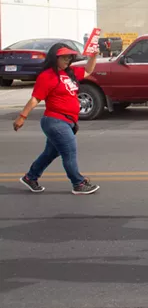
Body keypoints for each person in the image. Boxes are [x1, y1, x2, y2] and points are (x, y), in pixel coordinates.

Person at [15, 43, 100, 195]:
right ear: (55, 58)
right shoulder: (47, 76)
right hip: (55, 121)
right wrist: (22, 117)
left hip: (68, 121)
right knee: (70, 152)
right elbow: (35, 99)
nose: (67, 60)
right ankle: (78, 183)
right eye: (64, 57)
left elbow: (88, 70)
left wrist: (93, 56)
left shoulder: (70, 73)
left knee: (50, 153)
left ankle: (30, 177)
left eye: (69, 57)